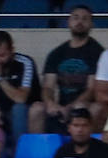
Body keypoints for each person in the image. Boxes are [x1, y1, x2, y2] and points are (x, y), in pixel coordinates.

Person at [41, 5, 104, 133]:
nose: (80, 22)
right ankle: (39, 151)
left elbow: (92, 89)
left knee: (83, 107)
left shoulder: (97, 52)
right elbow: (48, 86)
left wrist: (70, 107)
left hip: (85, 104)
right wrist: (50, 102)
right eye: (75, 18)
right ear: (68, 22)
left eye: (85, 19)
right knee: (36, 109)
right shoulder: (57, 53)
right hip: (61, 105)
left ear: (91, 24)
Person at [0, 31, 41, 149]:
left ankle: (20, 154)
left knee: (18, 108)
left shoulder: (25, 63)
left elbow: (21, 98)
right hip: (2, 112)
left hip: (26, 111)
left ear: (12, 50)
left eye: (2, 55)